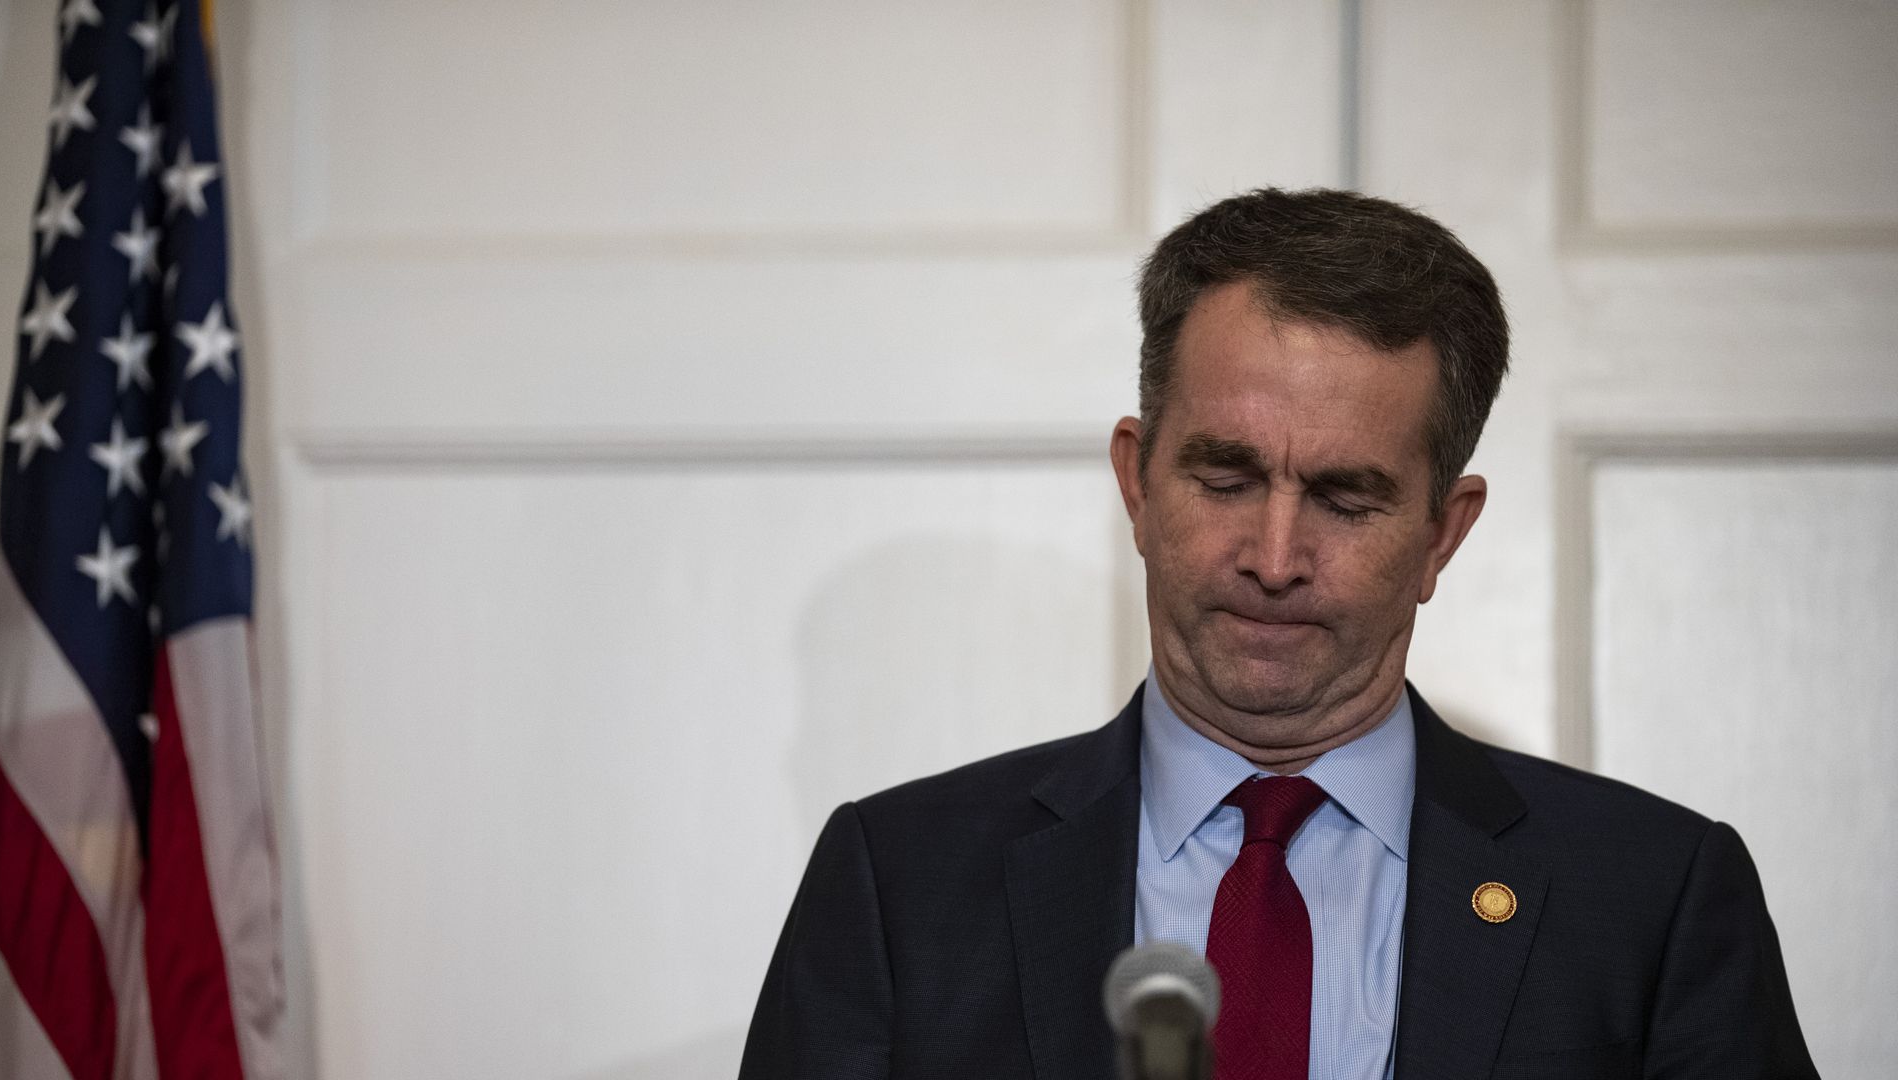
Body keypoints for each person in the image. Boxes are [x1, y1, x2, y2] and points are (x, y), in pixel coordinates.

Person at [738, 188, 1815, 1080]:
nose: (1274, 556)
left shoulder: (1655, 898)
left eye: (1346, 500)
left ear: (1444, 533)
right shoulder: (901, 884)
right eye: (1225, 476)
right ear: (1137, 481)